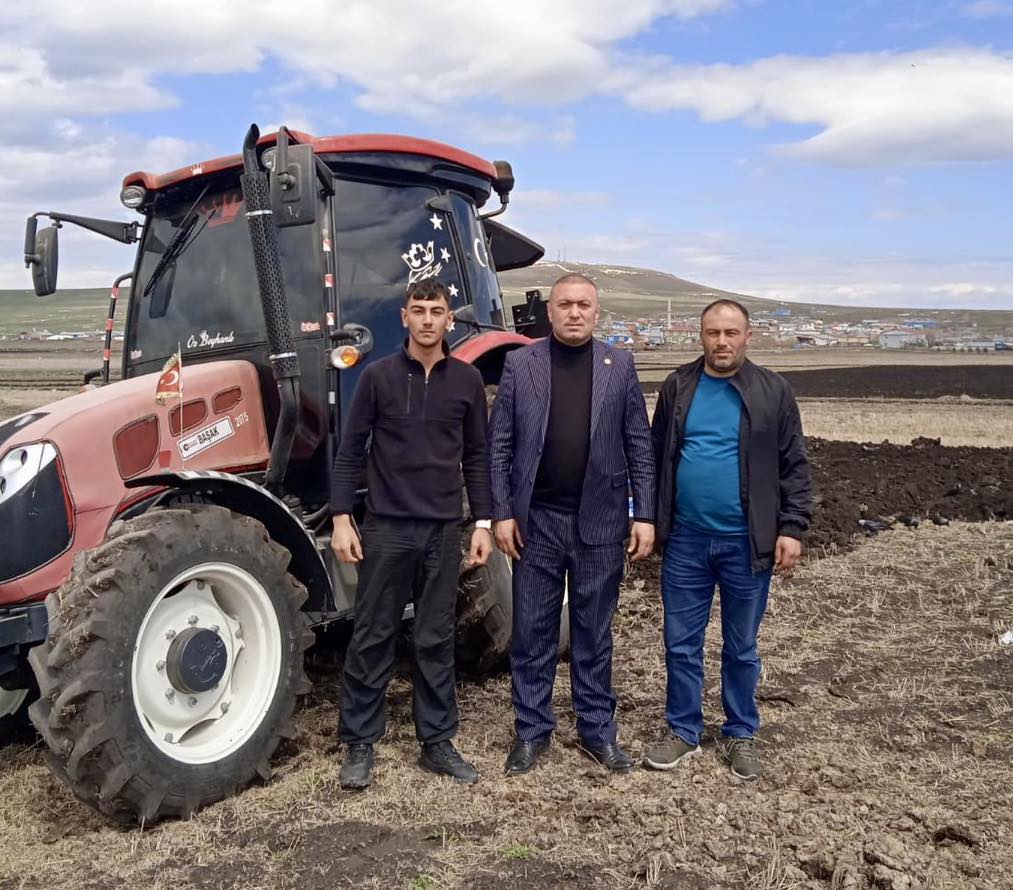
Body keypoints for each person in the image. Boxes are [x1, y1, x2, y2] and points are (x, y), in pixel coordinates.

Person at [488, 273, 656, 776]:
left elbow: (639, 445)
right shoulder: (521, 364)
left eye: (584, 304)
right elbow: (499, 447)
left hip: (601, 524)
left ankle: (596, 732)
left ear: (596, 312)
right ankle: (532, 731)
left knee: (594, 633)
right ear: (552, 312)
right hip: (536, 523)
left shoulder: (619, 365)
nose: (575, 312)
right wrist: (501, 512)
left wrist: (643, 513)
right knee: (532, 633)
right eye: (566, 304)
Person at [330, 278, 494, 790]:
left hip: (444, 529)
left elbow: (478, 456)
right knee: (373, 632)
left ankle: (437, 741)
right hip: (387, 528)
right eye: (418, 310)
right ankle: (359, 743)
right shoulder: (377, 379)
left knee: (434, 634)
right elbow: (350, 450)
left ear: (450, 319)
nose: (427, 319)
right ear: (404, 317)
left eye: (437, 311)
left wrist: (483, 523)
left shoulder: (466, 381)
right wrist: (340, 518)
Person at [643, 299, 811, 781]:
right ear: (701, 336)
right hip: (687, 543)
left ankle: (740, 731)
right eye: (713, 333)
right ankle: (684, 730)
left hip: (746, 543)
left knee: (741, 646)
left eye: (731, 333)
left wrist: (791, 527)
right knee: (680, 642)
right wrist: (653, 521)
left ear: (747, 336)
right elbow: (659, 458)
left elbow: (793, 465)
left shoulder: (772, 391)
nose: (721, 342)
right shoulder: (679, 386)